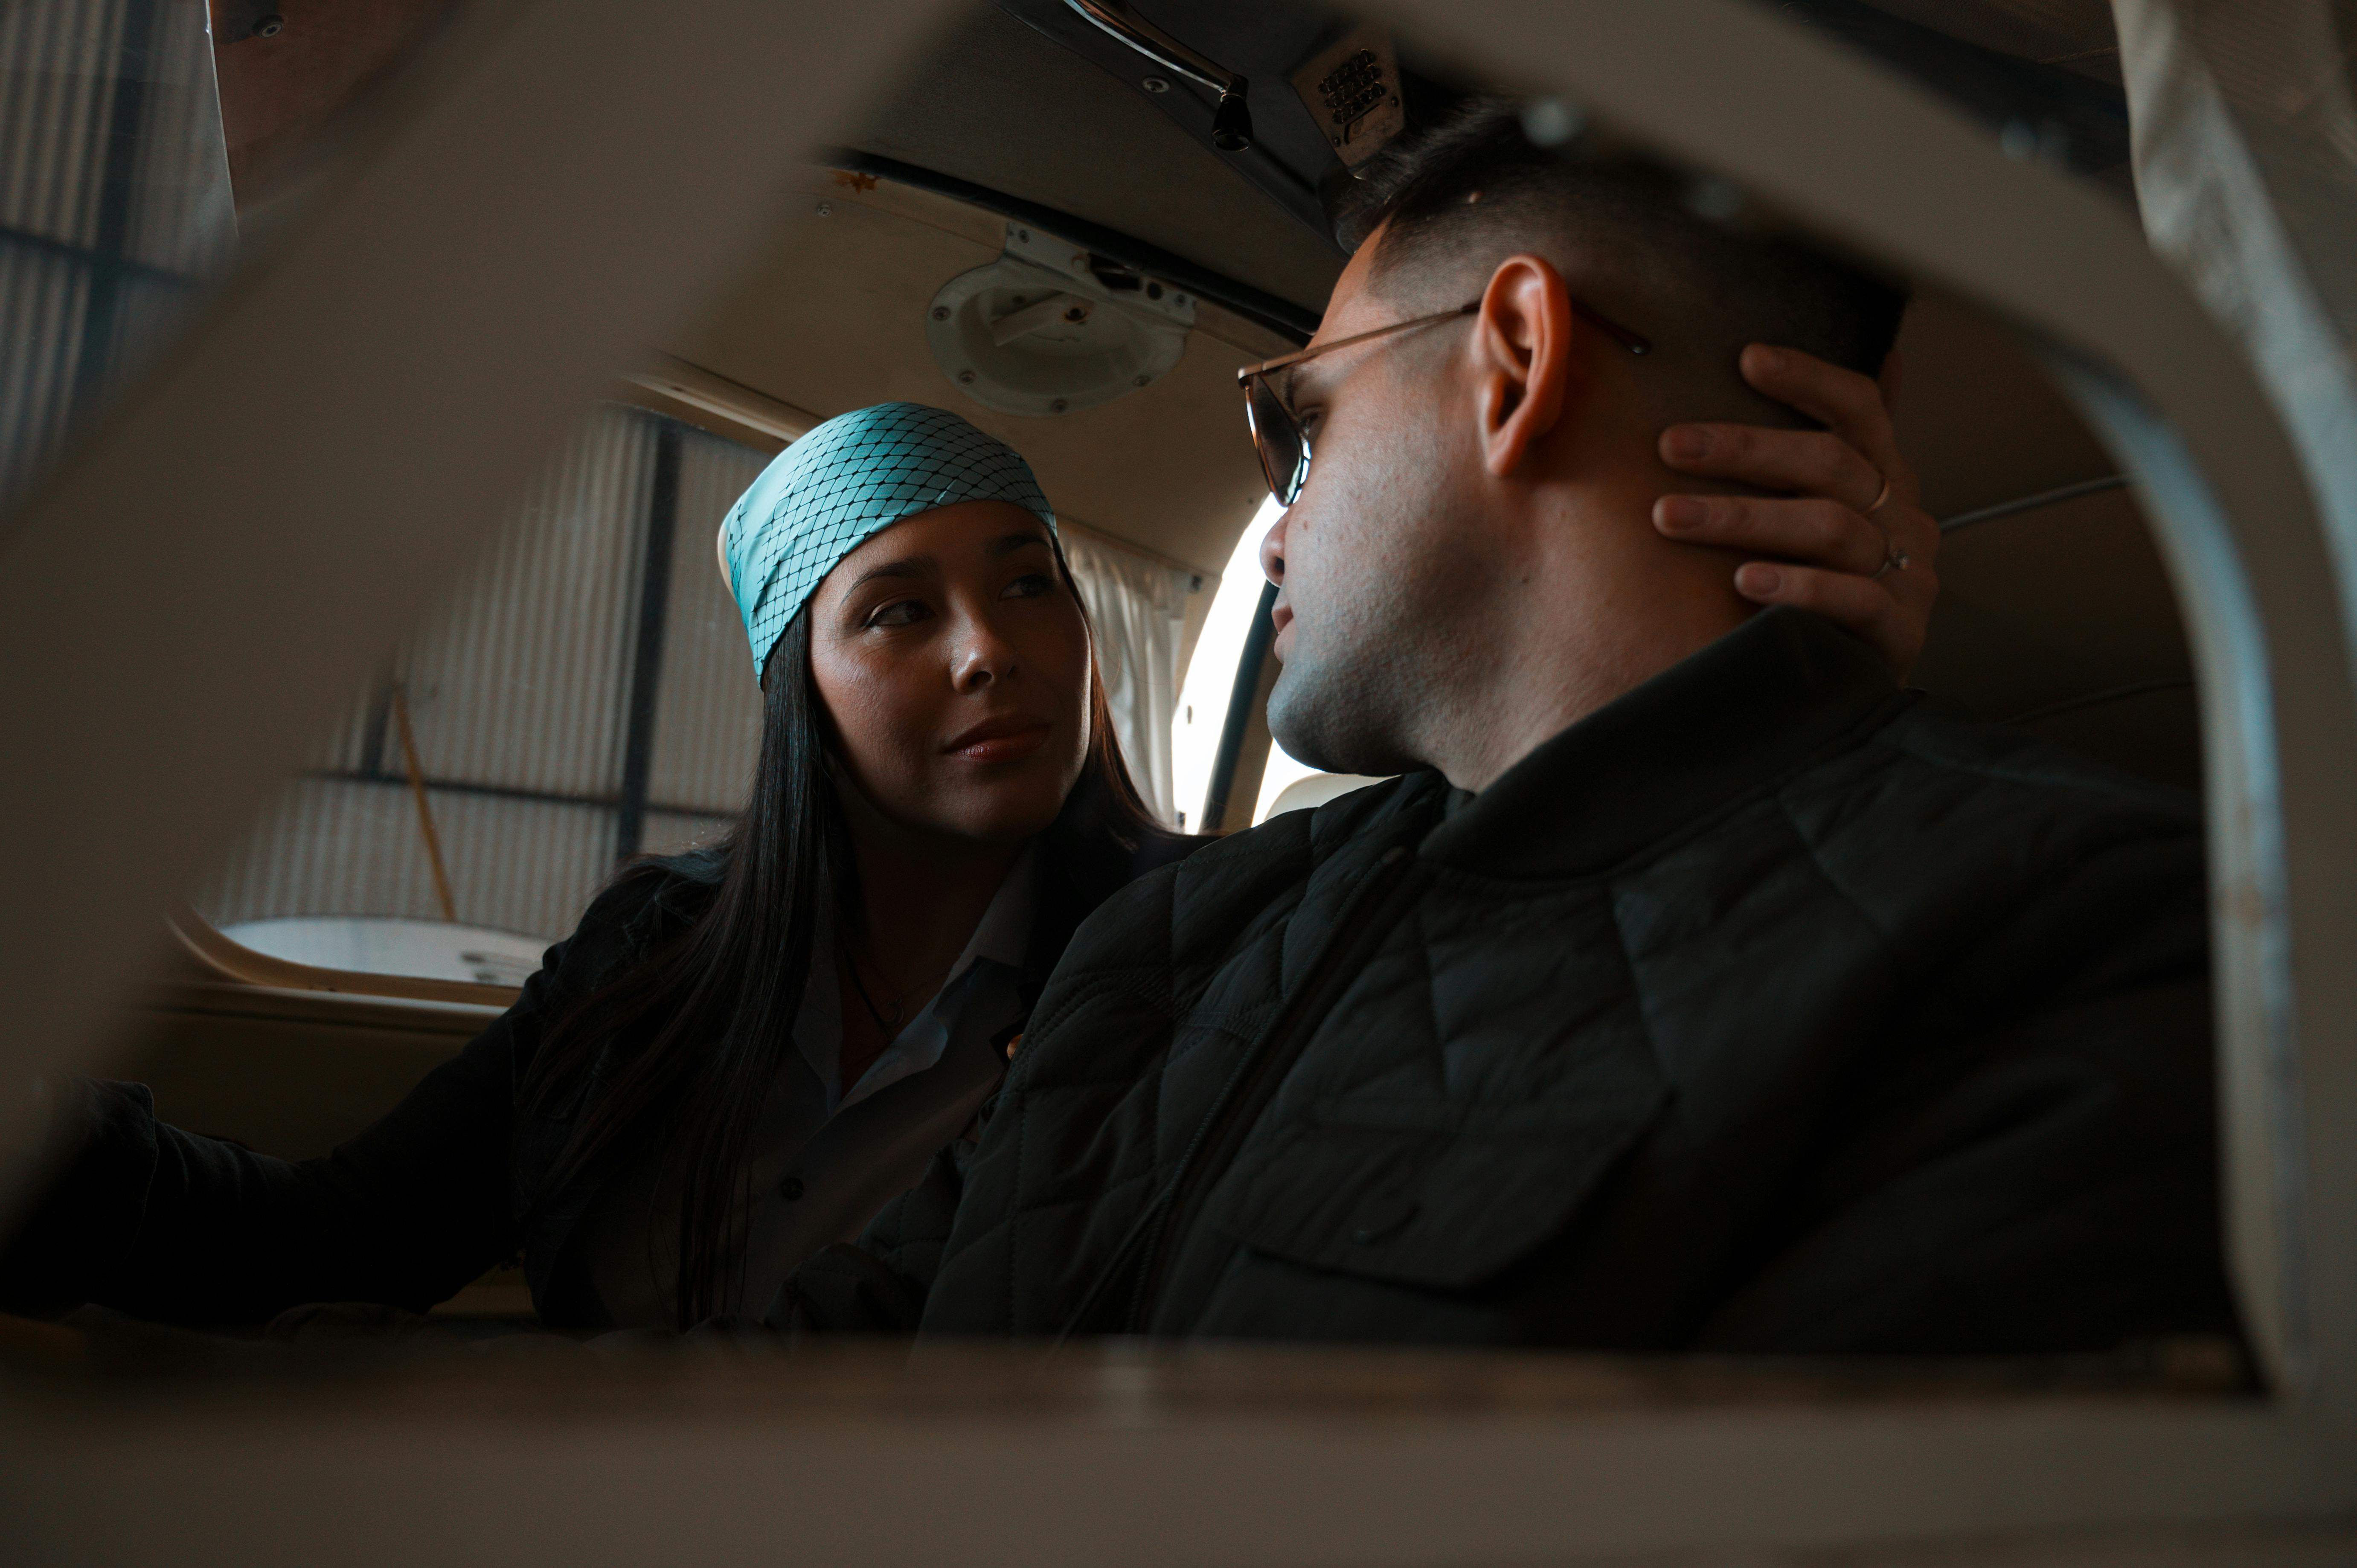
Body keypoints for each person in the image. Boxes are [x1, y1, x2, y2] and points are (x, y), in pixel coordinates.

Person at [0, 382, 1925, 1335]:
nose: (992, 650)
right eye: (896, 614)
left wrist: (1773, 673)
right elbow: (325, 1245)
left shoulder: (1202, 944)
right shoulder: (650, 963)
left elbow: (1556, 917)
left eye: (1026, 586)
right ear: (796, 688)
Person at [782, 104, 2236, 1356]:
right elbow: (829, 1358)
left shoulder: (2075, 949)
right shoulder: (1183, 935)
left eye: (1305, 425)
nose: (1276, 540)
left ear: (1517, 359)